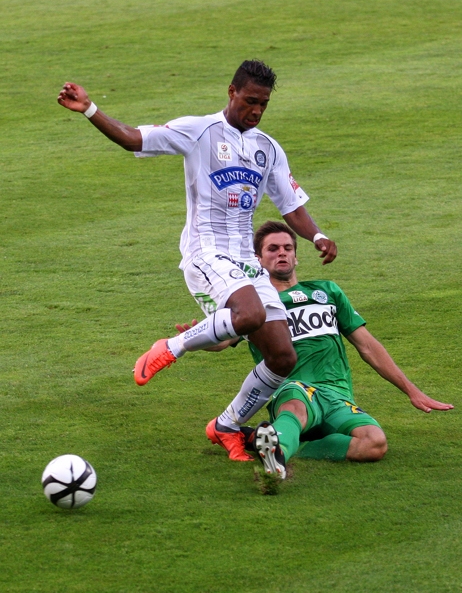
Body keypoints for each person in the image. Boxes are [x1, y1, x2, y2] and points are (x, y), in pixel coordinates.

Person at [57, 60, 337, 462]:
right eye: (250, 101)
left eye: (264, 104)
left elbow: (291, 204)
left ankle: (225, 426)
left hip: (245, 260)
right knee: (249, 314)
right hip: (207, 251)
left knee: (282, 356)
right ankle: (170, 346)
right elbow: (133, 139)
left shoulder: (268, 148)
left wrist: (318, 236)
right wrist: (89, 108)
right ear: (231, 92)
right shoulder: (198, 130)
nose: (256, 111)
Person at [245, 221, 454, 478]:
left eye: (288, 248)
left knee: (374, 443)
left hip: (336, 395)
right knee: (296, 403)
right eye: (273, 249)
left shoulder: (327, 291)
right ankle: (278, 460)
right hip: (293, 392)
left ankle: (279, 443)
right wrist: (199, 334)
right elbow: (221, 339)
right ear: (258, 259)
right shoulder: (254, 306)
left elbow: (367, 346)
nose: (282, 253)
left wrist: (412, 391)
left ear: (296, 257)